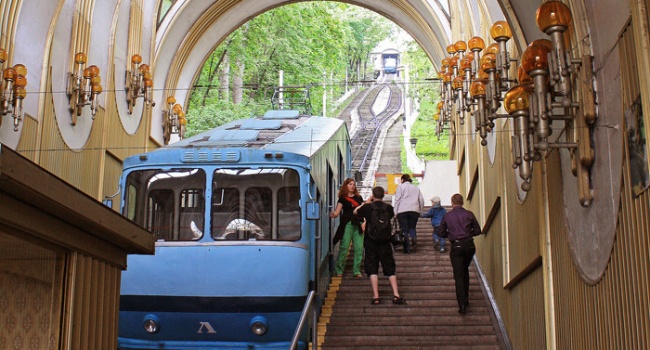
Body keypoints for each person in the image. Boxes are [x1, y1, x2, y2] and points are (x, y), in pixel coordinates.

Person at [354, 186, 406, 305]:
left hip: (370, 242)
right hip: (385, 241)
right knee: (390, 268)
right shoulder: (388, 208)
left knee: (372, 268)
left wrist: (367, 202)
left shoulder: (367, 208)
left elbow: (355, 212)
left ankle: (376, 296)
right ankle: (396, 295)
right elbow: (391, 218)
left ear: (373, 195)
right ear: (383, 195)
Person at [437, 193, 482, 314]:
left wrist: (450, 235)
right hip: (469, 246)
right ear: (462, 202)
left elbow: (441, 233)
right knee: (464, 270)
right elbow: (478, 230)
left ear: (452, 203)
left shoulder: (447, 216)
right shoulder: (469, 214)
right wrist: (468, 234)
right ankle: (465, 299)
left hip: (456, 247)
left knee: (459, 275)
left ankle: (462, 304)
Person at [330, 178, 364, 277]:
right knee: (344, 247)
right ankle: (339, 270)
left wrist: (364, 222)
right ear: (346, 186)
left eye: (353, 184)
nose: (352, 186)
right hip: (347, 225)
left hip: (358, 224)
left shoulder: (359, 198)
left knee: (359, 248)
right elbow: (337, 212)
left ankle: (357, 271)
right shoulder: (342, 199)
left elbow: (363, 211)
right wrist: (332, 214)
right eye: (350, 184)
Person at [393, 174, 424, 253]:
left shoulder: (401, 187)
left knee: (404, 229)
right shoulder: (416, 188)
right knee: (412, 227)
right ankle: (413, 238)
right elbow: (421, 200)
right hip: (414, 210)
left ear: (402, 180)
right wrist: (420, 211)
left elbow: (397, 199)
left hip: (403, 210)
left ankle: (407, 249)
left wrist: (395, 212)